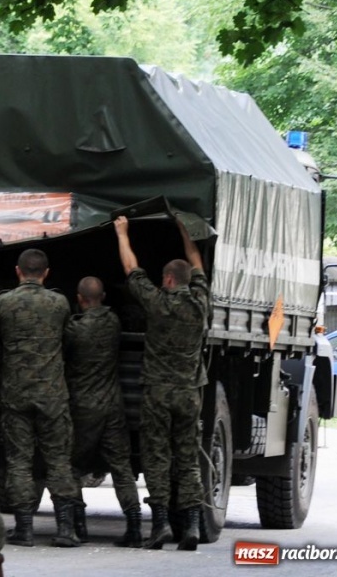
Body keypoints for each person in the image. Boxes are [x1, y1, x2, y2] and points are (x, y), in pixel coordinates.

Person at [113, 215, 209, 551]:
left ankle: (161, 525)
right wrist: (185, 230)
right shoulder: (200, 303)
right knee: (187, 458)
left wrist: (122, 232)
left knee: (157, 458)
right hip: (188, 394)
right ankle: (192, 524)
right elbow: (196, 262)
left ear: (167, 279)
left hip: (157, 393)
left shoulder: (156, 303)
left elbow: (131, 268)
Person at [0, 249, 81, 548]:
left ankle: (24, 529)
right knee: (58, 460)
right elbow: (69, 339)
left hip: (16, 394)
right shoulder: (59, 303)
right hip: (52, 395)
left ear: (18, 271)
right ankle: (65, 528)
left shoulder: (4, 303)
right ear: (46, 273)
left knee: (18, 461)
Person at [63, 276, 142, 547]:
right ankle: (134, 525)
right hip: (112, 406)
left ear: (79, 299)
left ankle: (78, 524)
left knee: (71, 465)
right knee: (121, 467)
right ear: (104, 297)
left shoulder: (74, 329)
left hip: (83, 408)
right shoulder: (113, 322)